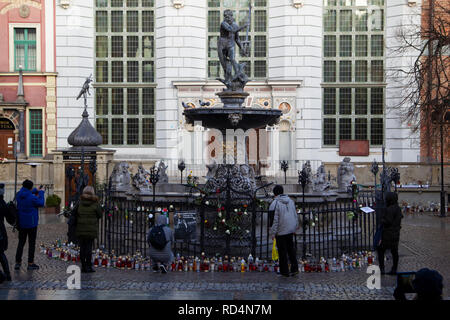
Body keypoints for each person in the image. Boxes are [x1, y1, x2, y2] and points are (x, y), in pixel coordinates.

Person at [269, 185, 299, 277]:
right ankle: (295, 268)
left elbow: (274, 220)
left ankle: (284, 271)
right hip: (290, 229)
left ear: (274, 193)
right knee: (291, 250)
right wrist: (295, 227)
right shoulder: (290, 201)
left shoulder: (274, 203)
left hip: (281, 231)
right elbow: (295, 215)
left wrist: (273, 233)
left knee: (282, 252)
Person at [15, 180, 44, 271]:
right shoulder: (32, 198)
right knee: (31, 243)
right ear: (30, 187)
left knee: (21, 243)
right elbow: (41, 203)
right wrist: (41, 192)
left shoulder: (18, 194)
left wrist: (36, 190)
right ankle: (30, 263)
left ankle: (18, 263)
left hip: (21, 223)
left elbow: (27, 192)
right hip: (31, 224)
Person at [75, 186, 102, 273]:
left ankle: (83, 266)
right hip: (91, 229)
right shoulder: (95, 204)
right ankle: (89, 266)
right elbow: (100, 215)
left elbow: (75, 214)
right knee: (89, 248)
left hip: (81, 229)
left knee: (82, 248)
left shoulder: (79, 203)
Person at [377, 192, 403, 275]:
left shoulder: (389, 209)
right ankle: (394, 268)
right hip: (396, 233)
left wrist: (381, 220)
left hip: (388, 233)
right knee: (394, 251)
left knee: (381, 250)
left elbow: (388, 221)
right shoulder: (397, 208)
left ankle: (382, 269)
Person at [0, 183, 16, 281]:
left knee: (1, 254)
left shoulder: (2, 202)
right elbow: (9, 217)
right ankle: (7, 274)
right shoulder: (2, 202)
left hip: (0, 230)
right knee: (1, 254)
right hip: (1, 230)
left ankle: (4, 276)